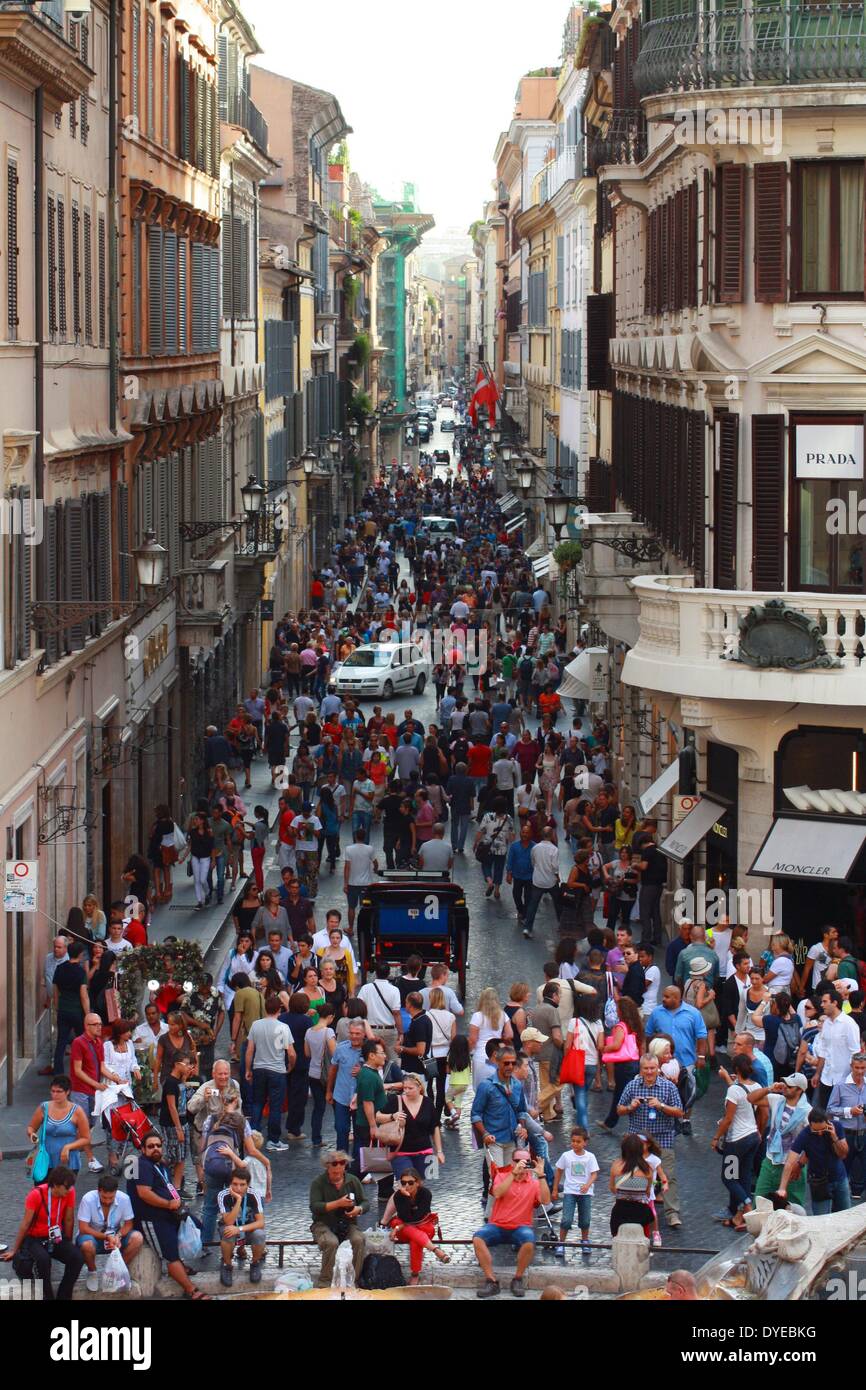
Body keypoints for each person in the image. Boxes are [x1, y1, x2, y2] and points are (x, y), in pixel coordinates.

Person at [126, 1130, 209, 1298]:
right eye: (150, 1146)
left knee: (199, 1228)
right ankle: (191, 1290)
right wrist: (168, 1203)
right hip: (152, 1219)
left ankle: (180, 1266)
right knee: (170, 1254)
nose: (155, 1149)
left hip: (170, 1213)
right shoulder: (141, 1165)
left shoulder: (159, 1164)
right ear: (142, 1149)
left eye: (158, 1145)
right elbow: (144, 1193)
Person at [472, 1149, 549, 1299]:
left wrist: (541, 1175)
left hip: (521, 1227)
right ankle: (491, 1280)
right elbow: (498, 1193)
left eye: (526, 1161)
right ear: (512, 1162)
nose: (522, 1164)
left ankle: (518, 1279)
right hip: (497, 1225)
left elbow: (546, 1200)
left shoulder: (533, 1183)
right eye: (518, 1160)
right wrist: (513, 1174)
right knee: (478, 1239)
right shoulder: (501, 1176)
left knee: (528, 1241)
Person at [1, 1165, 84, 1300]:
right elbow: (25, 1224)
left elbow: (69, 1219)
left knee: (77, 1258)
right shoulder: (36, 1195)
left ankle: (64, 1295)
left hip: (55, 1237)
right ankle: (47, 1296)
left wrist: (68, 1244)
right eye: (66, 1187)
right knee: (43, 1260)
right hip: (34, 1238)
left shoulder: (70, 1192)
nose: (69, 1191)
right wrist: (14, 1250)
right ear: (56, 1185)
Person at [645, 985, 709, 1134]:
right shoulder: (656, 1012)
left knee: (688, 1091)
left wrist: (701, 1056)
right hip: (663, 1063)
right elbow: (648, 1034)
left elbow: (701, 1036)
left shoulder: (693, 1013)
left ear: (677, 998)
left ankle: (686, 1120)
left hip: (686, 1061)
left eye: (667, 996)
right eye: (663, 996)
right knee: (661, 1091)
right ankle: (668, 1119)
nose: (663, 999)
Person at [309, 1151, 369, 1288]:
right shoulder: (318, 1182)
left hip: (348, 1223)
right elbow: (315, 1206)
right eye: (334, 1165)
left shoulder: (353, 1180)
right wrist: (338, 1203)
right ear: (327, 1166)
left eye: (342, 1164)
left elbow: (365, 1203)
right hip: (323, 1223)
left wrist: (358, 1210)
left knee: (359, 1240)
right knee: (331, 1242)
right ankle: (324, 1282)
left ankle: (354, 1280)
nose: (338, 1169)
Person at [76, 1172, 143, 1291]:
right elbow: (83, 1228)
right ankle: (92, 1272)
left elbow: (128, 1224)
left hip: (114, 1236)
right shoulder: (88, 1199)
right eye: (104, 1198)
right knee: (87, 1245)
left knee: (137, 1238)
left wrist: (119, 1236)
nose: (107, 1201)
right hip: (92, 1236)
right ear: (98, 1191)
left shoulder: (124, 1199)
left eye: (111, 1198)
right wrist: (106, 1237)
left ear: (116, 1192)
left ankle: (118, 1271)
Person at [382, 1168, 450, 1285]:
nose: (407, 1185)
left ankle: (415, 1274)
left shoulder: (425, 1194)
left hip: (421, 1227)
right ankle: (435, 1250)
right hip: (406, 1231)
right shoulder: (398, 1196)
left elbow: (418, 1218)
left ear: (417, 1182)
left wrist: (399, 1227)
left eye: (410, 1182)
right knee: (414, 1236)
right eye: (403, 1183)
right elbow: (406, 1217)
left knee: (415, 1240)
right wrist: (406, 1197)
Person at [245, 995, 296, 1152]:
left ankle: (253, 1135)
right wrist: (290, 1066)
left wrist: (248, 1069)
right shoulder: (283, 1027)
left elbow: (249, 1051)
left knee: (257, 1103)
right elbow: (292, 1053)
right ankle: (273, 1140)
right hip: (277, 1070)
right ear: (279, 1009)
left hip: (259, 1069)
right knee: (275, 1106)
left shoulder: (256, 1025)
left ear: (265, 1008)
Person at [779, 1107, 851, 1215]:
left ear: (828, 1123)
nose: (820, 1133)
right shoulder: (805, 1134)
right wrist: (782, 1188)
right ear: (810, 1125)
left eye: (823, 1129)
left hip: (839, 1178)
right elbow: (790, 1162)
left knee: (846, 1216)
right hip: (819, 1181)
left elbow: (843, 1154)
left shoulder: (837, 1126)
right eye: (816, 1130)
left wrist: (834, 1136)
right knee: (821, 1220)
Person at [753, 1072, 811, 1206]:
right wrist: (769, 1089)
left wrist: (800, 1164)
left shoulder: (807, 1111)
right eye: (785, 1084)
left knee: (793, 1207)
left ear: (799, 1090)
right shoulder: (777, 1100)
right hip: (770, 1161)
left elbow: (812, 1143)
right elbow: (751, 1099)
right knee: (759, 1203)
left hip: (793, 1166)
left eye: (790, 1086)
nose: (785, 1087)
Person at [381, 1071, 444, 1184]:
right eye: (405, 1088)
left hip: (425, 1151)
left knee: (420, 1187)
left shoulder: (428, 1103)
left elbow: (435, 1127)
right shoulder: (396, 1101)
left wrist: (439, 1151)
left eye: (410, 1088)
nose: (406, 1091)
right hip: (400, 1152)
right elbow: (378, 1116)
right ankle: (396, 1201)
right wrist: (392, 1116)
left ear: (419, 1088)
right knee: (406, 1185)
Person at [26, 1075, 91, 1180]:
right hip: (45, 1161)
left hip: (68, 1161)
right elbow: (31, 1127)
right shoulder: (44, 1108)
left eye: (59, 1091)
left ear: (67, 1092)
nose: (55, 1094)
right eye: (53, 1091)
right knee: (43, 1193)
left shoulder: (77, 1111)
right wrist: (31, 1134)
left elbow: (86, 1138)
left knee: (63, 1193)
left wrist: (68, 1147)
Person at [598, 998, 644, 1135]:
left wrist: (603, 1048)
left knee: (621, 1095)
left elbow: (616, 1045)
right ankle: (611, 1122)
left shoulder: (621, 1026)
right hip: (635, 1062)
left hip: (624, 1065)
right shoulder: (636, 1025)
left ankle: (612, 1123)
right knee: (632, 1094)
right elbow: (641, 1045)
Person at [552, 1127, 599, 1256]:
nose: (575, 1144)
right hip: (570, 1192)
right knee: (566, 1219)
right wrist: (555, 1189)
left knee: (585, 1220)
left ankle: (585, 1240)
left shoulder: (590, 1157)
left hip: (585, 1193)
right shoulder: (566, 1156)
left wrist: (587, 1185)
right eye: (573, 1141)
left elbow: (594, 1174)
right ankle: (561, 1243)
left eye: (578, 1141)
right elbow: (559, 1171)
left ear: (585, 1142)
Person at [68, 1013, 107, 1172]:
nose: (99, 1026)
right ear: (87, 1026)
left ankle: (67, 1148)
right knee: (83, 1127)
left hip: (94, 1092)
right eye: (95, 1024)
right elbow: (77, 1071)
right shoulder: (78, 1043)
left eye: (100, 1023)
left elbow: (102, 1067)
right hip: (81, 1091)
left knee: (89, 1125)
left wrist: (116, 1079)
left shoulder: (99, 1042)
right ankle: (91, 1159)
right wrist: (96, 1084)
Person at [218, 1166, 267, 1288]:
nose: (238, 1188)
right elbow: (229, 1222)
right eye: (235, 1184)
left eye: (242, 1184)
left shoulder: (253, 1194)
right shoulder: (223, 1195)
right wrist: (239, 1200)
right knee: (227, 1232)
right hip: (229, 1228)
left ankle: (255, 1264)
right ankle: (227, 1266)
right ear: (230, 1184)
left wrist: (239, 1229)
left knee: (259, 1234)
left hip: (246, 1228)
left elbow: (261, 1223)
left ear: (248, 1184)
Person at [814, 986, 861, 1108]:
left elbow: (855, 1053)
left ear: (834, 1003)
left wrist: (853, 1080)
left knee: (841, 1116)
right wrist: (817, 1074)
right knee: (824, 1114)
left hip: (843, 1079)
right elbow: (823, 1051)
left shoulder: (849, 1024)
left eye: (825, 1001)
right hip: (826, 1078)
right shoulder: (826, 1024)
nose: (822, 1005)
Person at [827, 1052, 866, 1200]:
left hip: (864, 1133)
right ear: (851, 1066)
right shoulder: (840, 1086)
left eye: (863, 1068)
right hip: (846, 1134)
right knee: (843, 1168)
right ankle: (839, 1197)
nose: (860, 1071)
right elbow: (830, 1109)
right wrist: (850, 1111)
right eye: (857, 1067)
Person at [327, 1019, 367, 1154]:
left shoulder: (369, 1051)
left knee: (359, 1133)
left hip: (361, 1099)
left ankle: (357, 1166)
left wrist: (363, 1071)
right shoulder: (341, 1048)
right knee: (341, 1129)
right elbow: (333, 1069)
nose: (354, 1036)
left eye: (358, 1033)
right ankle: (341, 1163)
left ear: (364, 1034)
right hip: (341, 1096)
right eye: (352, 1033)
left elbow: (378, 1070)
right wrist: (329, 1091)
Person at [52, 940, 89, 1077]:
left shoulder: (59, 968)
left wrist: (57, 1008)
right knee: (82, 1041)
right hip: (77, 1011)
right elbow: (84, 995)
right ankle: (82, 1070)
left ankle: (58, 1072)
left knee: (61, 1042)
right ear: (80, 955)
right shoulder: (80, 972)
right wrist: (88, 1014)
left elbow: (55, 991)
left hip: (63, 1009)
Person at [159, 1055, 194, 1194]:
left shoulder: (179, 1081)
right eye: (186, 1064)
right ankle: (166, 1183)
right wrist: (178, 1128)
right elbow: (172, 1107)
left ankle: (177, 1187)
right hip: (172, 1124)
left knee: (182, 1156)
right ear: (177, 1064)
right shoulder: (170, 1083)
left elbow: (183, 1097)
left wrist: (185, 1078)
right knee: (173, 1155)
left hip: (183, 1121)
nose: (188, 1067)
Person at [357, 961, 403, 1064]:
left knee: (372, 1060)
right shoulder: (394, 990)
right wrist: (401, 1032)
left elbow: (360, 1007)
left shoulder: (365, 988)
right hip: (390, 1030)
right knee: (392, 1061)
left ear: (376, 973)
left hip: (371, 1030)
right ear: (388, 973)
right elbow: (396, 1013)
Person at [609, 1133, 654, 1238]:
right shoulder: (647, 1168)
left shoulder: (616, 1166)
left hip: (620, 1211)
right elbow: (648, 1191)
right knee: (647, 1230)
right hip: (641, 1211)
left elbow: (612, 1187)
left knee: (616, 1235)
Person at [468, 988, 513, 1091]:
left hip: (480, 1056)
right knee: (497, 1088)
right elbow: (510, 1034)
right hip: (497, 1056)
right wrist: (500, 1040)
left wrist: (468, 1052)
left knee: (479, 1089)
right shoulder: (503, 1015)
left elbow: (473, 1040)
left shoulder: (477, 1016)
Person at [521, 829, 561, 940]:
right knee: (558, 903)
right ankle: (562, 925)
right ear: (552, 835)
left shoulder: (535, 848)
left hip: (537, 880)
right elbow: (555, 867)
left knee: (533, 905)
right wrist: (557, 877)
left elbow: (533, 862)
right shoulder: (554, 849)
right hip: (550, 881)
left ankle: (527, 928)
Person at [343, 829, 379, 932]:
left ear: (355, 837)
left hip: (352, 883)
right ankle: (367, 927)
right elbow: (375, 862)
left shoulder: (349, 849)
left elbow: (347, 867)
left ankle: (350, 928)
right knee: (365, 907)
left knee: (351, 907)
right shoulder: (370, 849)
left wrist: (345, 884)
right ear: (365, 837)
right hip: (366, 884)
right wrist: (375, 869)